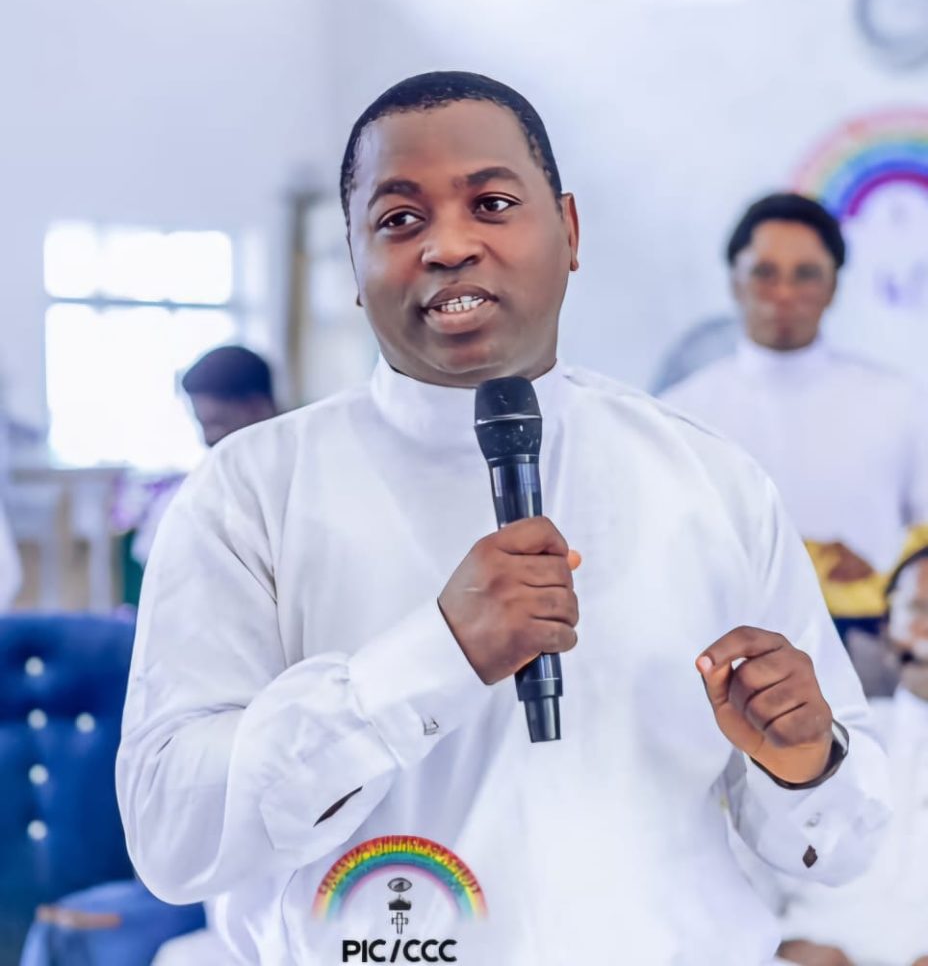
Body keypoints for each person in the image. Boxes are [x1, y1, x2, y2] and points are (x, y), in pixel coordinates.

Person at [116, 72, 890, 966]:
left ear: (568, 231)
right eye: (399, 219)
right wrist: (430, 660)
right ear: (354, 264)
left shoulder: (712, 482)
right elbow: (173, 836)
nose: (449, 246)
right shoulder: (249, 493)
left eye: (491, 204)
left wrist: (804, 760)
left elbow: (842, 842)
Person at [662, 194, 928, 629]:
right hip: (718, 640)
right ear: (735, 283)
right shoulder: (679, 413)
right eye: (764, 273)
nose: (784, 293)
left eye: (805, 275)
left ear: (834, 287)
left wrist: (876, 576)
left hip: (872, 643)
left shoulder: (902, 401)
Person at [739, 539, 928, 966]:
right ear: (886, 629)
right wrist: (777, 947)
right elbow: (745, 862)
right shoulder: (824, 733)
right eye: (918, 610)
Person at [128, 345, 278, 566]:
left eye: (216, 423)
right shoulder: (198, 491)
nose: (207, 439)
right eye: (200, 425)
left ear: (258, 408)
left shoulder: (300, 482)